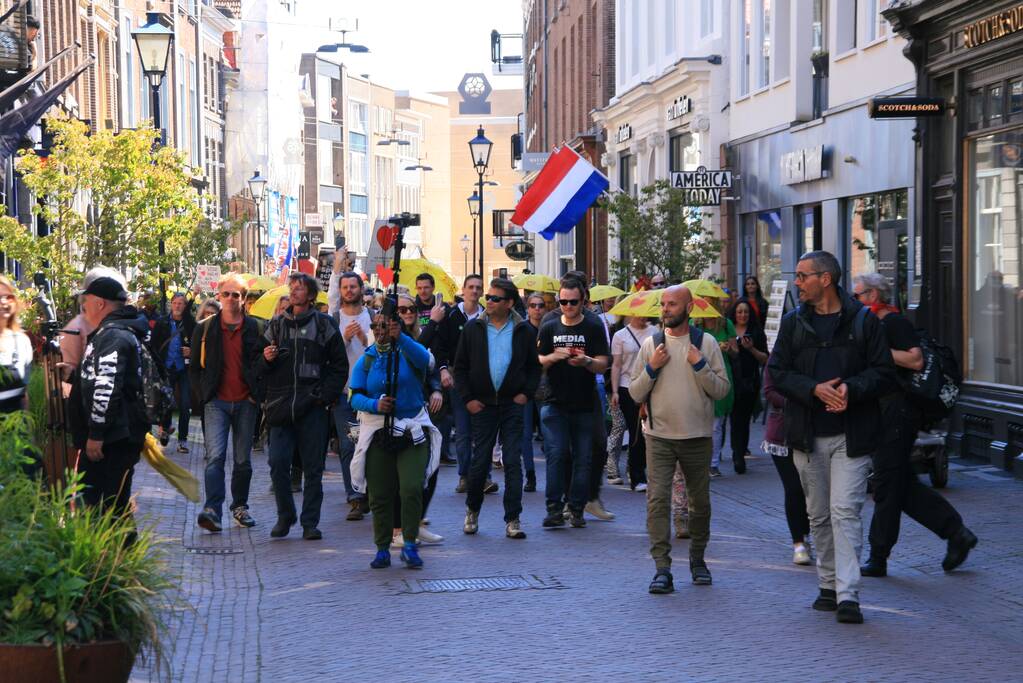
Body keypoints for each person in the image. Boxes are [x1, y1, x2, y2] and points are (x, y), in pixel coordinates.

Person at [768, 251, 895, 624]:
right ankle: (827, 585)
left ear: (825, 279)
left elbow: (884, 372)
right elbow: (777, 372)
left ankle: (848, 594)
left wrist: (850, 390)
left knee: (845, 511)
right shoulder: (793, 323)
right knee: (819, 515)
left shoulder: (864, 321)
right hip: (807, 435)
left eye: (802, 275)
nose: (796, 282)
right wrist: (814, 390)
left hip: (852, 436)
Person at [852, 273, 977, 577]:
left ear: (872, 295)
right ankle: (956, 533)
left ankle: (879, 556)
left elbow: (915, 360)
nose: (854, 300)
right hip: (885, 413)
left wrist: (877, 352)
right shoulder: (872, 324)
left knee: (886, 484)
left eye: (857, 295)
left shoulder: (894, 322)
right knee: (899, 484)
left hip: (899, 413)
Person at [629, 286, 730, 594]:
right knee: (657, 502)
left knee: (700, 504)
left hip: (697, 436)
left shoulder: (706, 343)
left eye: (672, 304)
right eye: (663, 304)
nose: (665, 309)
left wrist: (699, 364)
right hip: (659, 436)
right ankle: (662, 569)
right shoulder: (652, 344)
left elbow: (722, 390)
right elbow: (634, 392)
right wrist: (652, 367)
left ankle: (698, 560)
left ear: (689, 308)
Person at [349, 307, 439, 570]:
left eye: (385, 326)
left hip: (412, 430)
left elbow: (426, 362)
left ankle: (409, 544)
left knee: (411, 487)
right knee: (379, 494)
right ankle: (382, 548)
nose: (380, 331)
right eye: (375, 326)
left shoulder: (409, 352)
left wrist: (401, 338)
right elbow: (354, 396)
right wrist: (375, 404)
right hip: (378, 432)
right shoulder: (366, 360)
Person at [260, 273, 348, 540]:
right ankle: (285, 515)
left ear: (310, 295)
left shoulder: (324, 325)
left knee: (313, 468)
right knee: (277, 462)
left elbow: (339, 366)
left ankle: (310, 522)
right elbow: (257, 366)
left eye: (299, 288)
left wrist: (324, 397)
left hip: (312, 407)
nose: (294, 292)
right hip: (281, 405)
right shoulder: (276, 325)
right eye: (292, 287)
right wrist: (266, 359)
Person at [455, 277, 541, 539]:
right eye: (488, 297)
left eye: (495, 298)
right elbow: (460, 368)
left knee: (512, 461)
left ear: (509, 303)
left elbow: (534, 368)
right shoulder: (473, 328)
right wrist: (468, 399)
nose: (489, 301)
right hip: (482, 405)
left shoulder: (524, 331)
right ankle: (472, 510)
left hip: (512, 404)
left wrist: (526, 394)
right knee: (480, 461)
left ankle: (513, 519)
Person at [189, 274, 263, 533]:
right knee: (215, 458)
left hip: (246, 402)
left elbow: (263, 365)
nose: (231, 299)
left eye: (236, 295)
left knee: (242, 460)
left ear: (243, 299)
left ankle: (240, 507)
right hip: (216, 402)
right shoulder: (205, 328)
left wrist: (256, 394)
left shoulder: (256, 328)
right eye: (226, 294)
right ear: (219, 295)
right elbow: (194, 368)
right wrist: (204, 395)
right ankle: (212, 510)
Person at [73, 274, 151, 518]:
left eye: (85, 301)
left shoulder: (113, 335)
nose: (83, 307)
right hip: (115, 436)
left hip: (113, 441)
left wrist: (96, 434)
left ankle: (117, 543)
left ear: (99, 303)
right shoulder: (113, 332)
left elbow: (107, 386)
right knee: (111, 507)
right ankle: (119, 541)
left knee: (105, 508)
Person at [540, 271, 615, 522]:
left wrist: (587, 361)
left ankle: (579, 506)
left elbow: (603, 363)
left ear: (583, 300)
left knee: (587, 455)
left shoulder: (593, 324)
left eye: (573, 301)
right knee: (558, 453)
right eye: (564, 301)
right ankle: (555, 508)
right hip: (554, 401)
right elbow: (537, 360)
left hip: (586, 400)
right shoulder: (550, 324)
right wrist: (554, 357)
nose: (568, 306)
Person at [435, 274, 496, 495]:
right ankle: (464, 476)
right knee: (463, 431)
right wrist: (443, 369)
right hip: (458, 378)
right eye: (471, 287)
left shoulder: (487, 316)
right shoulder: (451, 315)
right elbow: (440, 346)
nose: (474, 291)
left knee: (484, 432)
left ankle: (484, 477)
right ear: (464, 289)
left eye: (478, 287)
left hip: (484, 380)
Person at [393, 293, 445, 545]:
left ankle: (416, 522)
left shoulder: (419, 335)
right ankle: (397, 530)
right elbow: (415, 357)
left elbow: (430, 366)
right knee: (400, 476)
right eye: (401, 310)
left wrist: (436, 389)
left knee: (430, 468)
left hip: (420, 411)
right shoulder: (388, 339)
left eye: (411, 309)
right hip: (395, 414)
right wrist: (433, 323)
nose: (408, 314)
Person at [327, 258, 374, 521]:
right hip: (345, 394)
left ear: (360, 290)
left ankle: (372, 492)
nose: (348, 291)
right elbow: (329, 356)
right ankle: (354, 496)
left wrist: (365, 340)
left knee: (372, 445)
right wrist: (344, 339)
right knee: (348, 445)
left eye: (353, 286)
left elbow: (381, 351)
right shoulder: (334, 320)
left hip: (370, 394)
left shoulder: (373, 318)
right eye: (344, 287)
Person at [762, 365, 813, 565]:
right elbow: (769, 391)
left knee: (810, 489)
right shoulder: (777, 359)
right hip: (782, 435)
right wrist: (797, 402)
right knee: (793, 488)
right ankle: (798, 543)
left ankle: (806, 535)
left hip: (810, 433)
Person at [607, 314, 657, 491]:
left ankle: (645, 471)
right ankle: (637, 477)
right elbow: (616, 365)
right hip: (627, 387)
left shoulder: (655, 332)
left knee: (652, 432)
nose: (642, 316)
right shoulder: (620, 335)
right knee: (636, 432)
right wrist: (615, 391)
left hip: (652, 386)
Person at [151, 293, 196, 452]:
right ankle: (165, 431)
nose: (177, 306)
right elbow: (153, 346)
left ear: (185, 306)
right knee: (166, 403)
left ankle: (182, 440)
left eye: (181, 303)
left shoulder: (190, 323)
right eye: (175, 303)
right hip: (166, 368)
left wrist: (191, 351)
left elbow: (198, 345)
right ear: (171, 304)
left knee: (185, 405)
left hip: (184, 369)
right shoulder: (162, 322)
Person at [727, 300, 768, 473]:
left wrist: (751, 349)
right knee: (735, 418)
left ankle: (741, 450)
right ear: (734, 314)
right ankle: (737, 455)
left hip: (749, 381)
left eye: (745, 312)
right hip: (731, 379)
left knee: (744, 419)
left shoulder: (756, 332)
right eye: (739, 312)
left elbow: (765, 358)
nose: (742, 315)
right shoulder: (728, 330)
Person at [694, 310, 736, 476]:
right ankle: (699, 461)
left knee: (716, 425)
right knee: (698, 421)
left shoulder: (725, 324)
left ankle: (713, 463)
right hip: (697, 376)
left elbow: (735, 351)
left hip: (719, 374)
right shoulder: (693, 324)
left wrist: (728, 348)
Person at [520, 292, 547, 492]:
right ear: (527, 309)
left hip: (546, 388)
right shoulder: (521, 330)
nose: (537, 309)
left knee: (549, 434)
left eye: (541, 305)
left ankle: (555, 475)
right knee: (525, 434)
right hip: (526, 388)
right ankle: (530, 475)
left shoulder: (550, 329)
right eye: (533, 305)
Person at [0, 276, 32, 415]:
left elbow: (24, 393)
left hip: (16, 425)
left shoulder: (22, 341)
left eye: (8, 297)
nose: (4, 302)